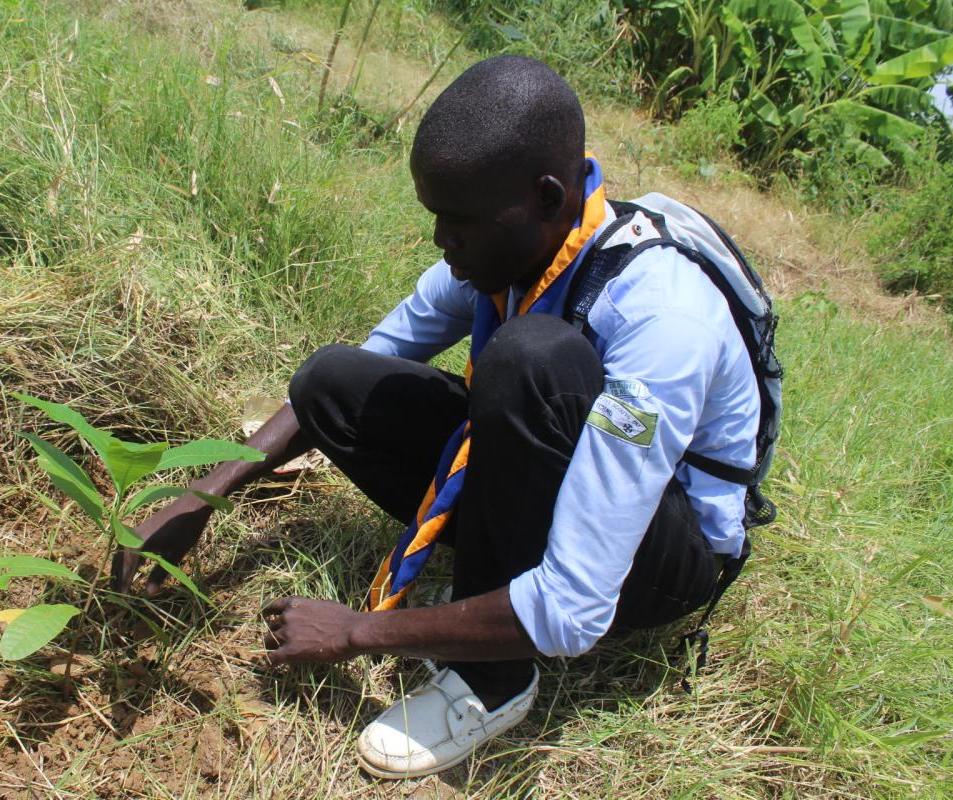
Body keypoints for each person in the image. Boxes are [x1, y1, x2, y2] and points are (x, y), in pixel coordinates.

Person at [114, 55, 759, 779]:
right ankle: (496, 581)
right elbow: (357, 372)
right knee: (331, 379)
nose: (439, 244)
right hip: (566, 468)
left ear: (548, 198)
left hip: (666, 553)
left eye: (458, 225)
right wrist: (204, 496)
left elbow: (577, 608)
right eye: (435, 220)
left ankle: (493, 680)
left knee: (531, 359)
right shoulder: (514, 251)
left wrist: (360, 632)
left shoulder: (661, 317)